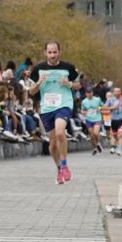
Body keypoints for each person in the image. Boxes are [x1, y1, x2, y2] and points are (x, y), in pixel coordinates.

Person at [24, 41, 80, 185]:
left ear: (59, 52)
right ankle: (59, 168)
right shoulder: (38, 69)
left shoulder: (68, 68)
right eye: (50, 52)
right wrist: (39, 82)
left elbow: (78, 85)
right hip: (47, 108)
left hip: (64, 104)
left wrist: (69, 84)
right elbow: (31, 91)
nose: (52, 55)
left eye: (55, 52)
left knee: (60, 133)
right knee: (53, 144)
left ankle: (65, 165)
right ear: (45, 53)